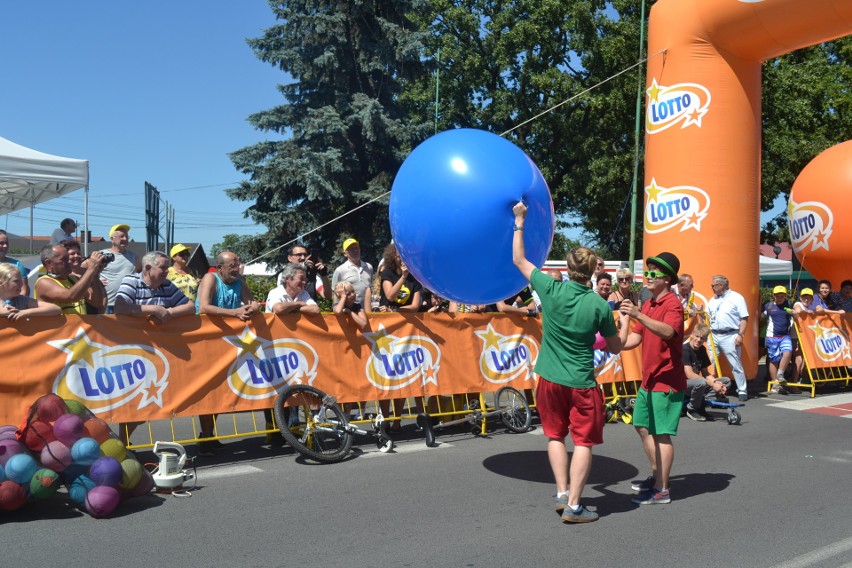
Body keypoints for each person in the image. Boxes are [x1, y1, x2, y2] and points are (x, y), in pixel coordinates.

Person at [512, 202, 621, 523]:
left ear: (569, 267)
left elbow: (518, 258)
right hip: (581, 383)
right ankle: (574, 505)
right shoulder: (599, 305)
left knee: (555, 437)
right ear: (592, 272)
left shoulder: (550, 288)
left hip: (549, 378)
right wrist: (626, 327)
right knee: (584, 442)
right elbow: (614, 347)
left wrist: (519, 220)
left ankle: (563, 493)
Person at [618, 252, 685, 506]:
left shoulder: (672, 304)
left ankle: (663, 490)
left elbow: (669, 331)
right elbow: (637, 338)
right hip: (649, 380)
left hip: (667, 381)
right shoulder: (648, 304)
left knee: (661, 434)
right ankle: (658, 476)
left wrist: (637, 314)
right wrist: (614, 344)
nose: (648, 276)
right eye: (647, 271)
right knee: (641, 425)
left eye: (654, 273)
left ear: (667, 279)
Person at [113, 251, 195, 446]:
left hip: (159, 354)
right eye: (163, 268)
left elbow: (190, 306)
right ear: (148, 268)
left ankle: (123, 441)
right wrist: (153, 309)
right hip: (131, 352)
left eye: (167, 268)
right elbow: (120, 307)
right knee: (132, 402)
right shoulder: (131, 281)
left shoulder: (166, 284)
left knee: (145, 404)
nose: (167, 272)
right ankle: (121, 442)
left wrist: (169, 312)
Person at [196, 251, 261, 451]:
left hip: (228, 341)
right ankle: (205, 436)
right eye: (232, 265)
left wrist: (254, 308)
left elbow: (251, 302)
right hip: (206, 340)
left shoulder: (240, 281)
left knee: (221, 390)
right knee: (209, 391)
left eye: (238, 264)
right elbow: (204, 307)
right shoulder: (210, 278)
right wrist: (234, 312)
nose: (236, 268)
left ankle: (209, 435)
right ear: (220, 267)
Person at [706, 275, 750, 401]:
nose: (712, 288)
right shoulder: (712, 300)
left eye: (713, 285)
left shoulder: (737, 298)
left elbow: (744, 318)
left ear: (721, 285)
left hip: (730, 334)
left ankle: (742, 390)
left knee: (735, 363)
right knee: (710, 362)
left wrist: (740, 335)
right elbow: (708, 317)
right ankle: (710, 387)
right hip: (713, 334)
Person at [34, 244, 107, 315]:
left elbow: (97, 303)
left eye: (68, 258)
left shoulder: (73, 279)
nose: (69, 262)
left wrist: (94, 274)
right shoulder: (44, 282)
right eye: (64, 259)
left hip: (78, 327)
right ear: (49, 263)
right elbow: (71, 296)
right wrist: (91, 269)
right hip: (59, 327)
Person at [683, 323, 732, 421]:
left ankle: (702, 402)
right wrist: (712, 384)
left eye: (702, 338)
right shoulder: (685, 349)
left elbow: (705, 373)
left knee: (726, 381)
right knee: (702, 382)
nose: (699, 340)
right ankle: (692, 409)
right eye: (697, 336)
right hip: (682, 385)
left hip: (696, 383)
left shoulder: (702, 349)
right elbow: (689, 374)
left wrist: (717, 383)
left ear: (705, 339)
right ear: (692, 334)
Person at [100, 224, 142, 313]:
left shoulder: (134, 257)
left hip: (127, 305)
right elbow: (85, 272)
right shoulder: (101, 255)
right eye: (121, 236)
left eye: (127, 236)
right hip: (106, 305)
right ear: (112, 239)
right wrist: (95, 281)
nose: (125, 239)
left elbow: (141, 274)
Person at [762, 285, 796, 392]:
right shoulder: (769, 306)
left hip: (785, 336)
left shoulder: (789, 304)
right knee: (774, 360)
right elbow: (761, 317)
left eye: (782, 296)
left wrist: (794, 313)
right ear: (774, 296)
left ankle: (780, 374)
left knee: (788, 352)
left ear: (786, 296)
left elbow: (797, 316)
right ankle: (775, 384)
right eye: (777, 296)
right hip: (772, 337)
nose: (780, 298)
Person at [379, 242, 422, 312]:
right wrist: (403, 277)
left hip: (405, 319)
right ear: (393, 258)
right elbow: (390, 296)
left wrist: (395, 310)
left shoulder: (415, 276)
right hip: (386, 318)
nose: (402, 260)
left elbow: (415, 306)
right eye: (399, 257)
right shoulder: (387, 272)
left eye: (405, 257)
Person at [331, 238, 373, 308]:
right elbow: (334, 293)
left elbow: (369, 288)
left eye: (356, 248)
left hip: (366, 311)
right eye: (351, 249)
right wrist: (337, 308)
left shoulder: (369, 267)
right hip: (349, 311)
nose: (355, 251)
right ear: (345, 253)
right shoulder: (340, 270)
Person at [0, 230, 29, 296]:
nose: (5, 246)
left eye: (6, 243)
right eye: (1, 243)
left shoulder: (17, 264)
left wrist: (16, 304)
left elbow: (23, 290)